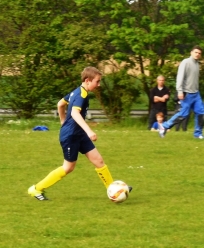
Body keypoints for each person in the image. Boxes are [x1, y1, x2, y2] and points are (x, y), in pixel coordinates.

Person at [28, 66, 131, 200]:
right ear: (88, 80)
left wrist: (63, 121)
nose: (99, 85)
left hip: (78, 133)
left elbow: (60, 104)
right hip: (70, 136)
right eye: (97, 81)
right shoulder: (81, 95)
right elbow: (74, 113)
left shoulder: (77, 92)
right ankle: (36, 189)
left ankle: (113, 191)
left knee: (98, 161)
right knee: (68, 167)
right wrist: (88, 131)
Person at [158, 45, 204, 139]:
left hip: (196, 94)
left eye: (199, 53)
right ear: (191, 52)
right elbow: (180, 77)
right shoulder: (186, 62)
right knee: (183, 114)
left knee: (201, 112)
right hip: (187, 94)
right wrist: (180, 91)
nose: (197, 54)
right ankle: (164, 126)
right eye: (196, 52)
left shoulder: (197, 64)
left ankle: (198, 134)